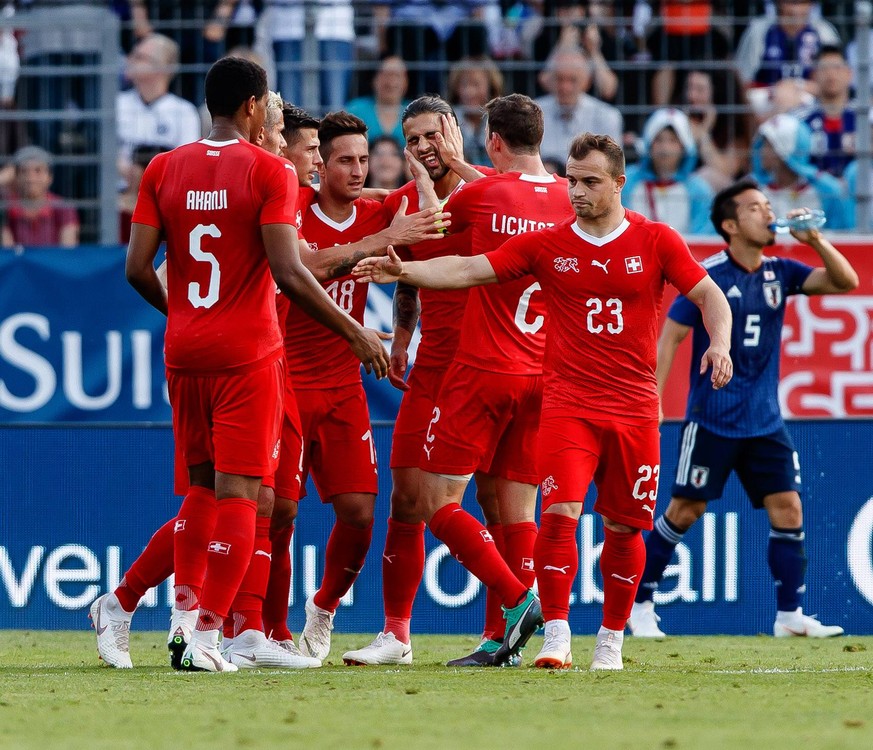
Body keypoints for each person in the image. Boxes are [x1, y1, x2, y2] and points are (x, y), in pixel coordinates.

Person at [353, 132, 734, 670]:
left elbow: (709, 294)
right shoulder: (549, 244)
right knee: (559, 516)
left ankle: (611, 642)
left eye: (590, 182)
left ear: (620, 184)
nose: (576, 192)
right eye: (572, 180)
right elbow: (468, 269)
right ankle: (556, 636)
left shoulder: (657, 240)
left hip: (634, 407)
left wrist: (719, 341)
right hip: (566, 404)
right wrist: (406, 271)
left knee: (626, 526)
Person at [90, 56, 389, 672]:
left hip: (187, 350)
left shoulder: (163, 167)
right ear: (254, 107)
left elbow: (136, 268)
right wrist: (357, 332)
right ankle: (205, 635)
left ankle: (151, 612)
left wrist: (184, 315)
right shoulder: (267, 172)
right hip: (249, 355)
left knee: (208, 490)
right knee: (242, 498)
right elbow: (291, 270)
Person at [629, 180, 857, 639]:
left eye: (769, 205)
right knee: (685, 510)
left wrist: (815, 241)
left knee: (788, 508)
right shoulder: (707, 277)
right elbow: (670, 337)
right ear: (731, 226)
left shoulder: (782, 272)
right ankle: (640, 604)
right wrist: (653, 397)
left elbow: (845, 281)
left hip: (765, 421)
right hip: (712, 418)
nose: (768, 213)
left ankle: (789, 616)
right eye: (756, 207)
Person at [341, 95, 501, 667]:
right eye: (413, 140)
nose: (424, 147)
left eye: (433, 135)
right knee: (406, 498)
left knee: (495, 502)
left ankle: (499, 632)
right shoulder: (405, 204)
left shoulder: (491, 192)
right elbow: (406, 274)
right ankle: (396, 636)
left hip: (491, 364)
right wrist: (403, 337)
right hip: (433, 365)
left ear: (455, 132)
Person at [116, 33, 202, 184]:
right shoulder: (116, 104)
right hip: (117, 195)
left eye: (140, 57)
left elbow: (188, 165)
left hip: (164, 195)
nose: (129, 60)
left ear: (162, 68)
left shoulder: (184, 112)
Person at [623, 108, 716, 235]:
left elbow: (703, 235)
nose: (665, 148)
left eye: (672, 141)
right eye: (659, 140)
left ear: (684, 147)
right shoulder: (627, 182)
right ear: (649, 144)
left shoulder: (699, 190)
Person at [750, 113, 850, 230]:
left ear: (786, 150)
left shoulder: (827, 190)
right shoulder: (754, 189)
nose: (762, 151)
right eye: (762, 145)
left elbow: (841, 233)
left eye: (769, 146)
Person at [534, 45, 623, 165]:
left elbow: (611, 167)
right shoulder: (535, 113)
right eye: (560, 79)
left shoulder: (607, 117)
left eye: (572, 80)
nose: (565, 87)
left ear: (587, 82)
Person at [794, 45, 856, 178]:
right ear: (813, 75)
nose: (831, 74)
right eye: (824, 68)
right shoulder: (798, 121)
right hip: (811, 195)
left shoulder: (866, 119)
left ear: (849, 74)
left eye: (837, 67)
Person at [1, 146, 79, 248]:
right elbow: (7, 255)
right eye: (24, 172)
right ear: (16, 177)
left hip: (53, 263)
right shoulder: (6, 208)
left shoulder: (64, 209)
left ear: (50, 177)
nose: (31, 178)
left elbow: (67, 254)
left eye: (38, 171)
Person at [446, 56, 504, 168]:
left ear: (491, 87)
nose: (469, 92)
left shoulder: (501, 120)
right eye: (464, 85)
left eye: (476, 85)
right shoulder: (449, 118)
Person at [346, 56, 411, 151]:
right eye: (386, 74)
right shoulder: (355, 110)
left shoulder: (414, 112)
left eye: (397, 75)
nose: (391, 82)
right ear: (374, 79)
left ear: (406, 81)